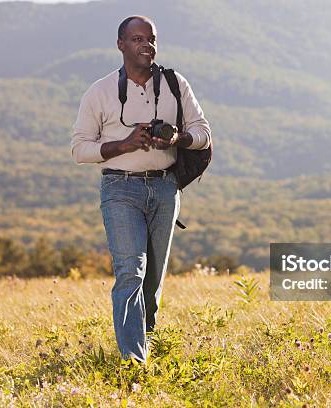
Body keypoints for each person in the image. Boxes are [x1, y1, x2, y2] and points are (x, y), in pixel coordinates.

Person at [71, 15, 211, 363]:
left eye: (151, 39)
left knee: (152, 280)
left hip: (166, 190)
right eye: (137, 39)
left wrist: (178, 137)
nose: (146, 45)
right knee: (130, 272)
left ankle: (146, 337)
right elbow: (79, 150)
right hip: (119, 189)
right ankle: (134, 361)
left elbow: (204, 133)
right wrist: (125, 144)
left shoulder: (175, 84)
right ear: (121, 44)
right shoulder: (100, 92)